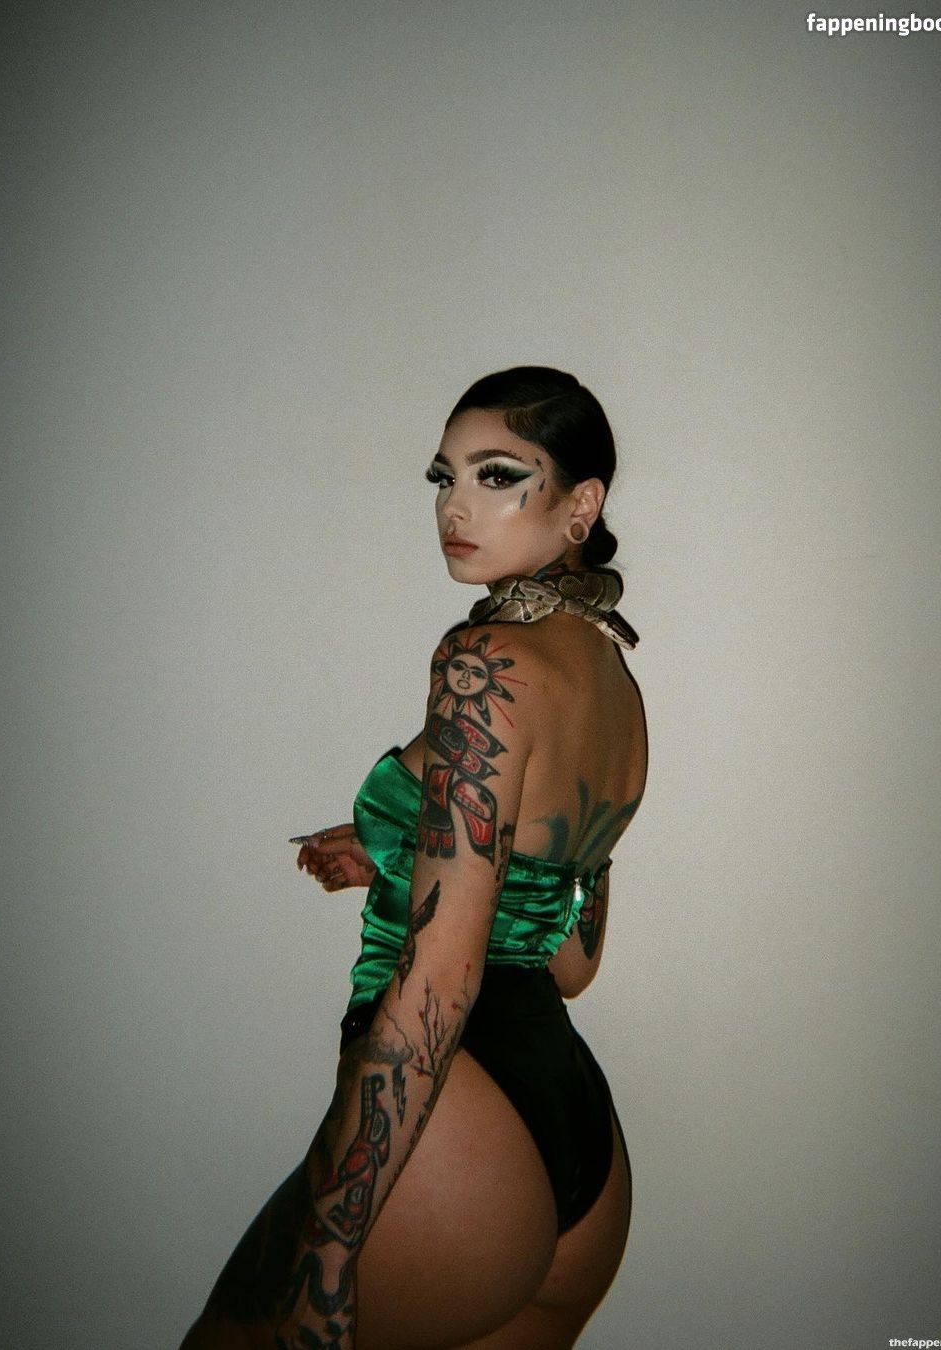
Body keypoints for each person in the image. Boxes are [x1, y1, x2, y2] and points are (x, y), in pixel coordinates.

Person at [181, 366, 648, 1350]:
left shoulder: (485, 665)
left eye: (496, 476)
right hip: (576, 1139)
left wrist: (329, 1255)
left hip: (457, 1126)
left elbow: (442, 975)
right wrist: (399, 854)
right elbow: (570, 961)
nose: (454, 507)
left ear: (582, 504)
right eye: (445, 478)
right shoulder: (611, 679)